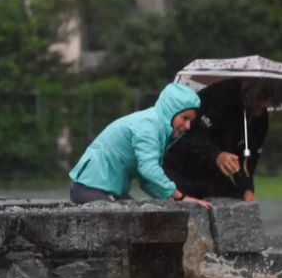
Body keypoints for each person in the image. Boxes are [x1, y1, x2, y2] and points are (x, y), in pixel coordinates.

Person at [69, 82, 211, 208]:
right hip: (91, 186)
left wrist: (170, 198)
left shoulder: (159, 129)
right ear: (171, 111)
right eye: (185, 118)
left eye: (191, 121)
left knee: (136, 223)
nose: (188, 126)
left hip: (103, 188)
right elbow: (149, 169)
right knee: (125, 229)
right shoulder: (149, 125)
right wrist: (181, 197)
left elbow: (146, 181)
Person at [163, 78, 282, 202]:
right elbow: (187, 137)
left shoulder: (260, 118)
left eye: (270, 104)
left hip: (212, 174)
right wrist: (217, 155)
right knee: (185, 214)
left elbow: (249, 158)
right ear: (254, 93)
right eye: (260, 103)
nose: (261, 110)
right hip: (179, 167)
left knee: (235, 209)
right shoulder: (215, 97)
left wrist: (247, 189)